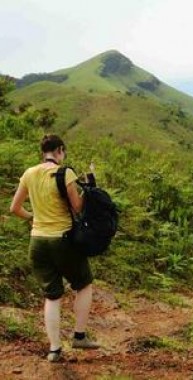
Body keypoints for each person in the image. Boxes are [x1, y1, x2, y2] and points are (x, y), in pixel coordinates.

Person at [9, 134, 100, 363]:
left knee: (52, 296)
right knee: (84, 283)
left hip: (37, 243)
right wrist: (88, 191)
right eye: (63, 152)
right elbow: (77, 208)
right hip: (62, 240)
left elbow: (14, 208)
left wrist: (34, 217)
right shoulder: (65, 173)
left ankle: (54, 349)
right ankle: (79, 336)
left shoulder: (29, 173)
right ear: (59, 150)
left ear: (43, 151)